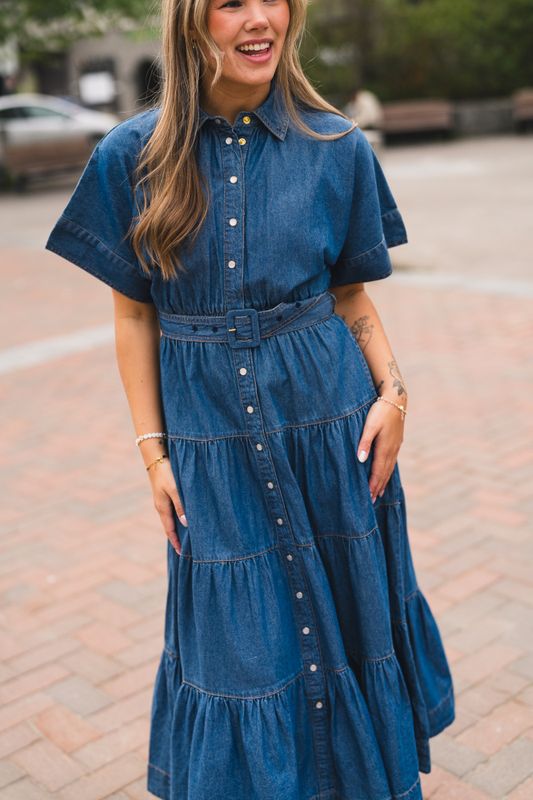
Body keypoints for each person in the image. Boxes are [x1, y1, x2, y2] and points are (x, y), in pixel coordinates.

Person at [45, 0, 455, 797]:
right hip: (210, 448)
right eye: (232, 2)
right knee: (241, 656)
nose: (259, 17)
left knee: (346, 625)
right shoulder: (130, 155)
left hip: (333, 433)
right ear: (190, 20)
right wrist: (152, 454)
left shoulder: (336, 147)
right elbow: (133, 314)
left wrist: (395, 396)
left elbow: (352, 300)